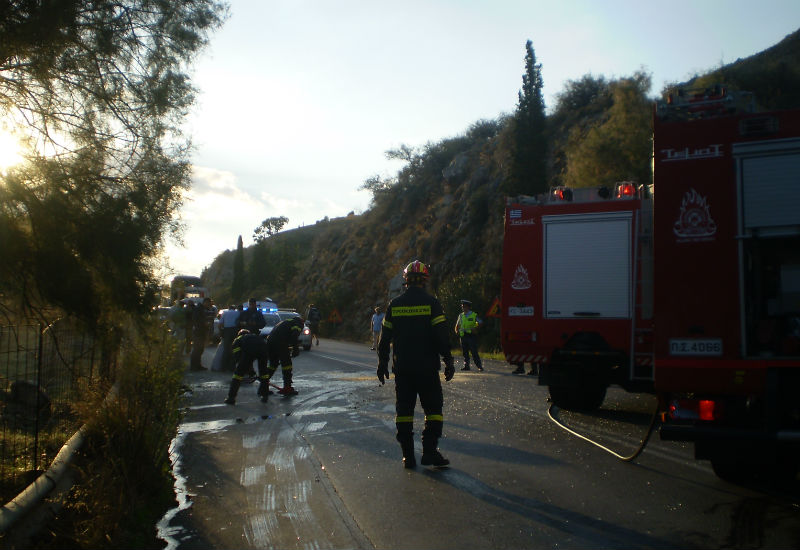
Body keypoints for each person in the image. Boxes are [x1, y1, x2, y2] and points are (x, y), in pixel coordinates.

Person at [377, 260, 455, 469]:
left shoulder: (395, 305)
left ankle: (408, 456)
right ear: (425, 281)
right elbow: (441, 336)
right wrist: (448, 360)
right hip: (427, 369)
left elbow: (384, 338)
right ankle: (429, 451)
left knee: (404, 412)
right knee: (434, 410)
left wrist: (382, 363)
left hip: (403, 369)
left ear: (406, 281)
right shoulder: (432, 304)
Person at [224, 330, 271, 405]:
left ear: (238, 334)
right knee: (264, 373)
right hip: (263, 349)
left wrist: (245, 369)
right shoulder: (256, 337)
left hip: (250, 350)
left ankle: (231, 398)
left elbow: (238, 358)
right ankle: (265, 396)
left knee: (237, 375)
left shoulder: (238, 340)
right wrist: (250, 369)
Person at [265, 316, 305, 396]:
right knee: (287, 366)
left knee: (273, 364)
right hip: (280, 343)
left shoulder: (285, 322)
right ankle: (287, 388)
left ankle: (263, 385)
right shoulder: (298, 324)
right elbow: (294, 335)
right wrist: (295, 349)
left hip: (269, 343)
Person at [455, 299, 483, 372]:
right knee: (465, 352)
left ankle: (479, 366)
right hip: (463, 336)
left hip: (471, 336)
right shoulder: (461, 315)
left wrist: (475, 328)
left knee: (474, 352)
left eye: (464, 306)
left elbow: (480, 322)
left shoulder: (473, 315)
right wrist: (456, 331)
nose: (462, 308)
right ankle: (466, 366)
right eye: (462, 306)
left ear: (468, 307)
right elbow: (457, 325)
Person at [190, 298, 214, 371]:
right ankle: (194, 366)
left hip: (201, 331)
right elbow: (197, 320)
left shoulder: (201, 309)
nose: (209, 306)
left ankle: (198, 365)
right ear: (205, 302)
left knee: (200, 349)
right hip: (198, 331)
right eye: (209, 304)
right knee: (197, 349)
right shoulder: (198, 309)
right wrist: (204, 323)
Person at [220, 304, 241, 371]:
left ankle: (223, 366)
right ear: (234, 308)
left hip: (227, 331)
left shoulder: (225, 313)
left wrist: (221, 332)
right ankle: (232, 367)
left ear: (229, 308)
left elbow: (220, 324)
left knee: (226, 349)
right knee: (234, 348)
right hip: (235, 331)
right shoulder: (237, 313)